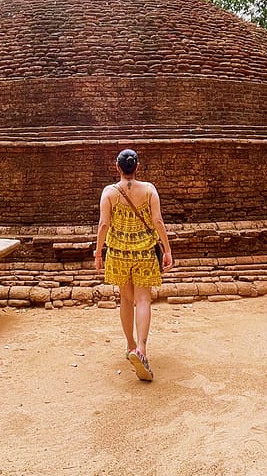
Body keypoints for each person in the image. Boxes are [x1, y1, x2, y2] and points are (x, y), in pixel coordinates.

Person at [94, 149, 173, 381]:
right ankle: (142, 348)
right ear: (137, 167)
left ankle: (130, 346)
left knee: (126, 300)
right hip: (144, 253)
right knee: (143, 300)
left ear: (118, 168)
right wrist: (167, 249)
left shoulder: (109, 193)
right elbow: (157, 220)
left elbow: (103, 225)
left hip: (118, 253)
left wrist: (98, 252)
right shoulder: (149, 190)